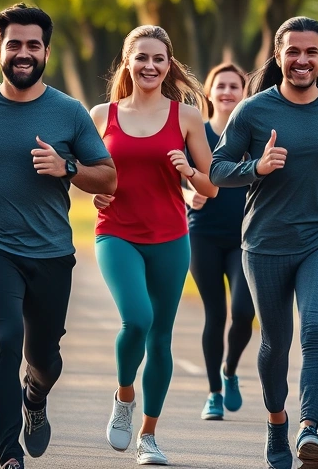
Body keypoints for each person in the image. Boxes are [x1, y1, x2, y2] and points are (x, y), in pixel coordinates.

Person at [0, 3, 117, 469]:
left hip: (51, 250)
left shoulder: (68, 112)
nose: (23, 53)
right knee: (6, 339)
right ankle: (9, 456)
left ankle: (34, 397)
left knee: (45, 359)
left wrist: (67, 167)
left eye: (33, 45)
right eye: (13, 44)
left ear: (46, 52)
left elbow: (108, 177)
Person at [209, 16, 318, 469]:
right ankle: (276, 422)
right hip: (264, 241)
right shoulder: (252, 111)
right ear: (279, 55)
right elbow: (217, 170)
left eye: (311, 52)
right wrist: (257, 169)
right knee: (274, 342)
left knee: (315, 331)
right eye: (293, 51)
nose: (302, 60)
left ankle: (309, 428)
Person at [89, 25, 217, 465]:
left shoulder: (186, 117)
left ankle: (149, 435)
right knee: (137, 319)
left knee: (161, 338)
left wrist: (189, 171)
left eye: (158, 59)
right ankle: (125, 398)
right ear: (127, 61)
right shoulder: (100, 114)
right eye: (141, 57)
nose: (149, 66)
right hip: (116, 232)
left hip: (171, 236)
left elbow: (211, 186)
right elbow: (87, 174)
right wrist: (93, 190)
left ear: (168, 64)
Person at [185, 63, 255, 421]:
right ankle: (214, 392)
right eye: (221, 85)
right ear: (209, 93)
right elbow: (174, 173)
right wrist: (187, 194)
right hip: (203, 235)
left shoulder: (252, 134)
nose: (228, 91)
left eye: (235, 86)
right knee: (216, 313)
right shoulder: (195, 132)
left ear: (244, 93)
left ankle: (229, 369)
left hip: (247, 237)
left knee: (244, 313)